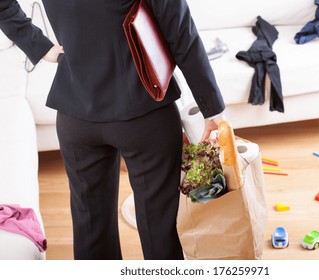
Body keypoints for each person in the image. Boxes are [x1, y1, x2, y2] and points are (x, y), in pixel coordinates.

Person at [0, 0, 226, 260]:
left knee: (91, 230)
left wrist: (38, 46)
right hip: (145, 116)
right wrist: (212, 111)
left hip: (76, 117)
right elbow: (181, 33)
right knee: (160, 228)